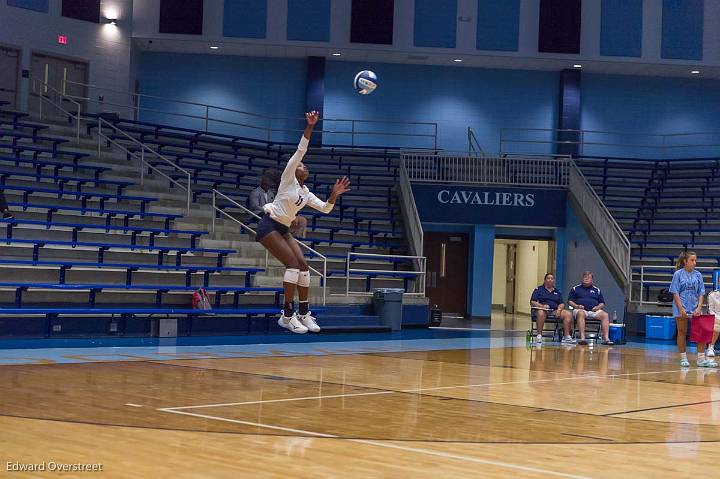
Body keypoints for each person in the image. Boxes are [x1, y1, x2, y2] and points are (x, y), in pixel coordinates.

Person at [256, 111, 351, 334]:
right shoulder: (288, 178)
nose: (303, 166)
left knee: (303, 266)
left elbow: (326, 208)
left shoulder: (305, 193)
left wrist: (334, 194)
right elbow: (301, 150)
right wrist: (310, 127)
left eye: (306, 166)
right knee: (292, 264)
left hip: (283, 229)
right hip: (269, 226)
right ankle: (287, 316)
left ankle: (304, 313)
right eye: (301, 164)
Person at [670, 251, 714, 367]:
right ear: (685, 261)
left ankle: (701, 359)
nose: (695, 263)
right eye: (692, 260)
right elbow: (675, 293)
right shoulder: (678, 274)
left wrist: (699, 308)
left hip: (695, 308)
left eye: (695, 260)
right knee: (682, 331)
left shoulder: (698, 275)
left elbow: (701, 293)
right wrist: (681, 309)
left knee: (701, 332)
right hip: (681, 307)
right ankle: (683, 358)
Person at [568, 271, 613, 345]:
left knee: (605, 315)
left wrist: (598, 307)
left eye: (589, 277)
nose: (586, 279)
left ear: (592, 280)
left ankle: (606, 338)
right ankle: (582, 338)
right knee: (581, 313)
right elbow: (570, 301)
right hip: (580, 309)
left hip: (593, 310)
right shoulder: (575, 288)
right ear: (582, 278)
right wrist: (577, 306)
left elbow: (602, 303)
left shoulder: (597, 290)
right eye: (585, 277)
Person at [530, 273, 574, 345]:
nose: (550, 280)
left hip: (554, 310)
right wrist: (542, 306)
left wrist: (559, 310)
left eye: (552, 278)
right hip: (542, 310)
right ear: (545, 280)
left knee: (568, 314)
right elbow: (532, 302)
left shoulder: (557, 291)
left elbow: (562, 303)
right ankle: (539, 335)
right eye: (548, 278)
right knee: (541, 313)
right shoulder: (538, 289)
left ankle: (566, 336)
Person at [707, 288, 720, 358]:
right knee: (716, 327)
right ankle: (710, 348)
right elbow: (710, 311)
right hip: (717, 318)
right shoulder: (712, 294)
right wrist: (717, 319)